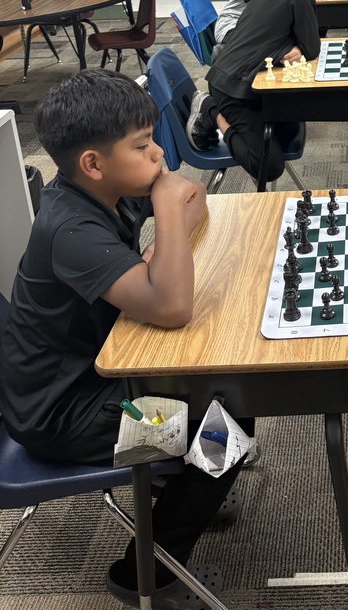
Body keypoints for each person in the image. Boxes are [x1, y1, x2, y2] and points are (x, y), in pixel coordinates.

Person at [0, 69, 246, 607]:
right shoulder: (71, 229)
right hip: (61, 415)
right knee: (227, 422)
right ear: (93, 163)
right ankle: (144, 572)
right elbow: (174, 306)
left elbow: (195, 199)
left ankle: (178, 482)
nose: (159, 155)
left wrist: (162, 236)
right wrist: (165, 210)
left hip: (99, 372)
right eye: (143, 146)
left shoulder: (111, 187)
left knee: (214, 390)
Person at [188, 0, 337, 183]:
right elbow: (312, 48)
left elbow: (279, 36)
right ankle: (211, 111)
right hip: (232, 91)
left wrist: (287, 49)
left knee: (288, 125)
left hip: (231, 75)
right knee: (269, 167)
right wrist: (296, 48)